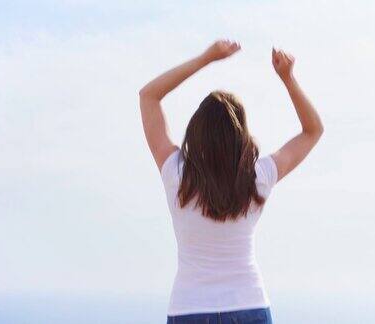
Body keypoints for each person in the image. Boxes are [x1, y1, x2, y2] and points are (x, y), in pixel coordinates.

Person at [139, 39, 324, 324]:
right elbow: (313, 130)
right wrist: (288, 79)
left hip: (189, 308)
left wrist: (206, 58)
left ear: (196, 131)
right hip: (249, 304)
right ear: (241, 136)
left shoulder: (176, 174)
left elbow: (148, 96)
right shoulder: (258, 177)